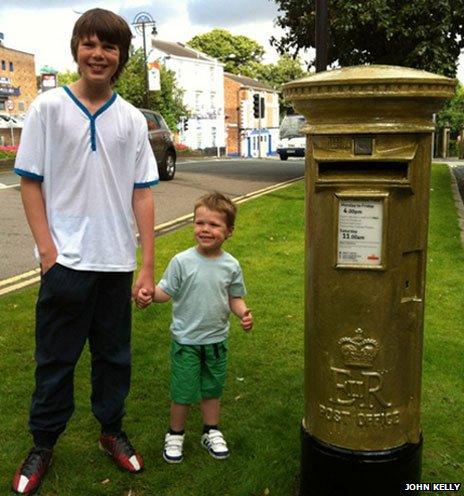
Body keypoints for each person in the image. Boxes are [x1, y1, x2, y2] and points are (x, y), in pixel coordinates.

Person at [11, 8, 158, 495]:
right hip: (65, 264)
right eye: (90, 44)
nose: (98, 54)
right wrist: (48, 252)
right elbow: (29, 183)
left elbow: (142, 193)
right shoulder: (48, 109)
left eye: (109, 47)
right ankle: (43, 443)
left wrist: (146, 265)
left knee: (114, 358)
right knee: (55, 359)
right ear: (76, 48)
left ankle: (110, 432)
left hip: (116, 263)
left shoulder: (133, 119)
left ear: (121, 57)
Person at [136, 192, 253, 464]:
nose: (205, 229)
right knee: (183, 391)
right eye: (200, 223)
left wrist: (243, 313)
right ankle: (175, 434)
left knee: (212, 389)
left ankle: (210, 430)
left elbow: (234, 297)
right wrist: (149, 294)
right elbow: (167, 291)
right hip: (186, 340)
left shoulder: (231, 265)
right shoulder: (182, 261)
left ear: (229, 231)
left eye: (213, 225)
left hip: (216, 341)